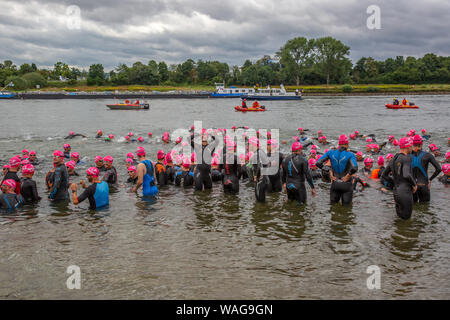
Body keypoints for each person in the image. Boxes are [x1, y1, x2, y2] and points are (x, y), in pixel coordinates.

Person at [316, 135, 358, 205]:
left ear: (338, 144)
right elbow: (355, 168)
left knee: (333, 207)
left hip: (335, 183)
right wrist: (348, 176)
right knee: (346, 210)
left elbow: (318, 163)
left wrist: (330, 173)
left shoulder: (330, 152)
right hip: (346, 184)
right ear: (347, 144)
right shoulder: (350, 154)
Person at [381, 137, 417, 220]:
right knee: (407, 220)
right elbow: (406, 174)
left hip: (396, 192)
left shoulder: (393, 159)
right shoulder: (406, 158)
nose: (412, 148)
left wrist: (394, 182)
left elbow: (384, 175)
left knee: (400, 219)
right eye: (411, 146)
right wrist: (414, 185)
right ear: (407, 147)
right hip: (405, 193)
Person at [410, 135, 441, 203]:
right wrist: (430, 179)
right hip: (423, 185)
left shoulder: (407, 156)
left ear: (412, 144)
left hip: (412, 185)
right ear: (421, 144)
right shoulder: (427, 155)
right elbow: (438, 169)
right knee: (425, 208)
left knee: (414, 207)